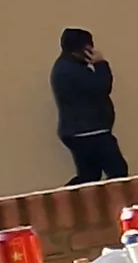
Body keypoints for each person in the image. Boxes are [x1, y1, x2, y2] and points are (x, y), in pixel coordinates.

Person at [49, 29, 119, 183]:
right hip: (90, 131)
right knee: (117, 170)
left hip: (82, 131)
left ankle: (68, 201)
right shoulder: (71, 70)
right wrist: (101, 64)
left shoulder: (67, 67)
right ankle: (66, 200)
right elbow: (102, 87)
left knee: (89, 176)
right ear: (83, 48)